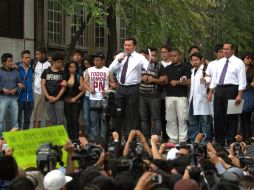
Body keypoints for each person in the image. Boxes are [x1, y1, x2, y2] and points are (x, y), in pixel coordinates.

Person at [109, 37, 149, 137]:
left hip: (133, 88)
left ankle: (130, 137)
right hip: (121, 87)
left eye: (129, 45)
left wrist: (150, 62)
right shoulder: (120, 56)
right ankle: (118, 136)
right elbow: (110, 69)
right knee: (118, 112)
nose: (127, 47)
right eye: (125, 45)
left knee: (132, 113)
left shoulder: (139, 57)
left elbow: (148, 67)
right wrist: (118, 60)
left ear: (134, 46)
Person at [208, 42, 246, 146]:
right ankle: (219, 140)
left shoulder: (239, 62)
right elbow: (214, 79)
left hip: (232, 89)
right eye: (223, 49)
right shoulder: (220, 62)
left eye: (227, 49)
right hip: (219, 89)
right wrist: (210, 92)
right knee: (218, 115)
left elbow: (242, 80)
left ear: (233, 50)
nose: (225, 51)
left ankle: (230, 140)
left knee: (231, 115)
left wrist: (239, 95)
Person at [84, 53, 115, 140]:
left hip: (104, 99)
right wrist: (89, 89)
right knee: (94, 121)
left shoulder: (108, 70)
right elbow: (85, 82)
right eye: (94, 60)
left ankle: (103, 141)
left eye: (97, 60)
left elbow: (113, 84)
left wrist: (107, 90)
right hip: (93, 98)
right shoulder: (89, 70)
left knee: (104, 120)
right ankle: (94, 140)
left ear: (103, 61)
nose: (95, 62)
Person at [139, 47, 168, 137]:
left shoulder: (159, 65)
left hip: (155, 96)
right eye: (151, 55)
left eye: (155, 55)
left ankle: (157, 138)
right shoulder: (140, 65)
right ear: (147, 55)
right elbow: (131, 78)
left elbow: (166, 81)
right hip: (142, 96)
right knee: (144, 119)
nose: (153, 57)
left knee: (156, 118)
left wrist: (154, 80)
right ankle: (145, 138)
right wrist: (140, 78)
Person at [165, 48, 191, 143]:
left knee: (182, 119)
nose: (172, 58)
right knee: (170, 119)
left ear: (179, 56)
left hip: (182, 96)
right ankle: (173, 139)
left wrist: (177, 82)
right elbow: (164, 80)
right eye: (171, 56)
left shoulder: (186, 67)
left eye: (174, 56)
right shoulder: (167, 68)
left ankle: (183, 139)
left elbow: (189, 81)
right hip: (169, 96)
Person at [188, 52, 213, 143]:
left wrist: (206, 79)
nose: (195, 62)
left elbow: (212, 79)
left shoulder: (205, 69)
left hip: (203, 99)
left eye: (196, 60)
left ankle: (207, 139)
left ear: (201, 60)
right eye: (193, 60)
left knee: (205, 121)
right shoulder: (192, 70)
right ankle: (193, 139)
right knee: (192, 120)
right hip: (193, 99)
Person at [0, 53, 23, 136]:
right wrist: (2, 89)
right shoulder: (0, 72)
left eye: (12, 61)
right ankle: (1, 139)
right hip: (2, 97)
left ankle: (14, 137)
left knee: (15, 120)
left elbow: (21, 84)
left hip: (14, 98)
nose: (11, 62)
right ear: (4, 62)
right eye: (9, 61)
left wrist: (16, 89)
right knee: (1, 120)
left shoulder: (16, 72)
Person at [41, 52, 67, 126]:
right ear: (53, 61)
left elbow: (64, 87)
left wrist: (57, 98)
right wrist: (48, 96)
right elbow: (43, 85)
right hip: (48, 100)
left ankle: (61, 137)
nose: (60, 64)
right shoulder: (46, 71)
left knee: (60, 121)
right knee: (52, 121)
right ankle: (54, 137)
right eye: (59, 62)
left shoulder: (63, 72)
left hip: (59, 100)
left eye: (61, 62)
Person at [64, 61, 84, 140]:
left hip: (76, 101)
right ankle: (71, 138)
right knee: (68, 121)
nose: (72, 68)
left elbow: (83, 90)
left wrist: (76, 98)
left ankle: (76, 139)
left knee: (75, 120)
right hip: (66, 101)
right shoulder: (65, 76)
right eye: (70, 67)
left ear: (76, 68)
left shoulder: (79, 76)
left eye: (74, 67)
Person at [32, 47, 51, 128]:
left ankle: (49, 136)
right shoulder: (34, 63)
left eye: (38, 54)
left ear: (43, 54)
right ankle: (36, 134)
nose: (36, 56)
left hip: (47, 92)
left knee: (48, 114)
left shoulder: (50, 64)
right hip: (37, 92)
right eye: (35, 54)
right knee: (37, 114)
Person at [17, 50, 34, 130]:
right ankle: (18, 137)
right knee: (18, 119)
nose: (28, 59)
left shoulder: (32, 68)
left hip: (30, 98)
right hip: (20, 97)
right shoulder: (17, 68)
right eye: (26, 57)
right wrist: (18, 84)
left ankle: (25, 136)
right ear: (22, 58)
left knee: (27, 120)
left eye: (29, 57)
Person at [240, 51, 254, 141]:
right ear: (243, 59)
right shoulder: (239, 68)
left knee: (247, 115)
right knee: (240, 116)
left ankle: (248, 137)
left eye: (250, 58)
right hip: (239, 93)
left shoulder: (253, 69)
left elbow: (253, 83)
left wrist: (243, 89)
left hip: (248, 92)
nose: (249, 60)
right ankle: (242, 137)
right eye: (247, 58)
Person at [159, 44, 172, 141]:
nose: (163, 54)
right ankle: (164, 135)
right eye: (161, 52)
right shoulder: (158, 65)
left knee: (171, 115)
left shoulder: (172, 64)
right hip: (161, 92)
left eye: (165, 52)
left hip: (171, 91)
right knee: (162, 115)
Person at [82, 57, 93, 137]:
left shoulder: (95, 70)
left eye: (88, 64)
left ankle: (95, 135)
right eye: (85, 64)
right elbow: (84, 84)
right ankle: (90, 135)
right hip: (87, 96)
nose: (86, 66)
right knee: (86, 116)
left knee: (94, 117)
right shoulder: (85, 72)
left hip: (95, 96)